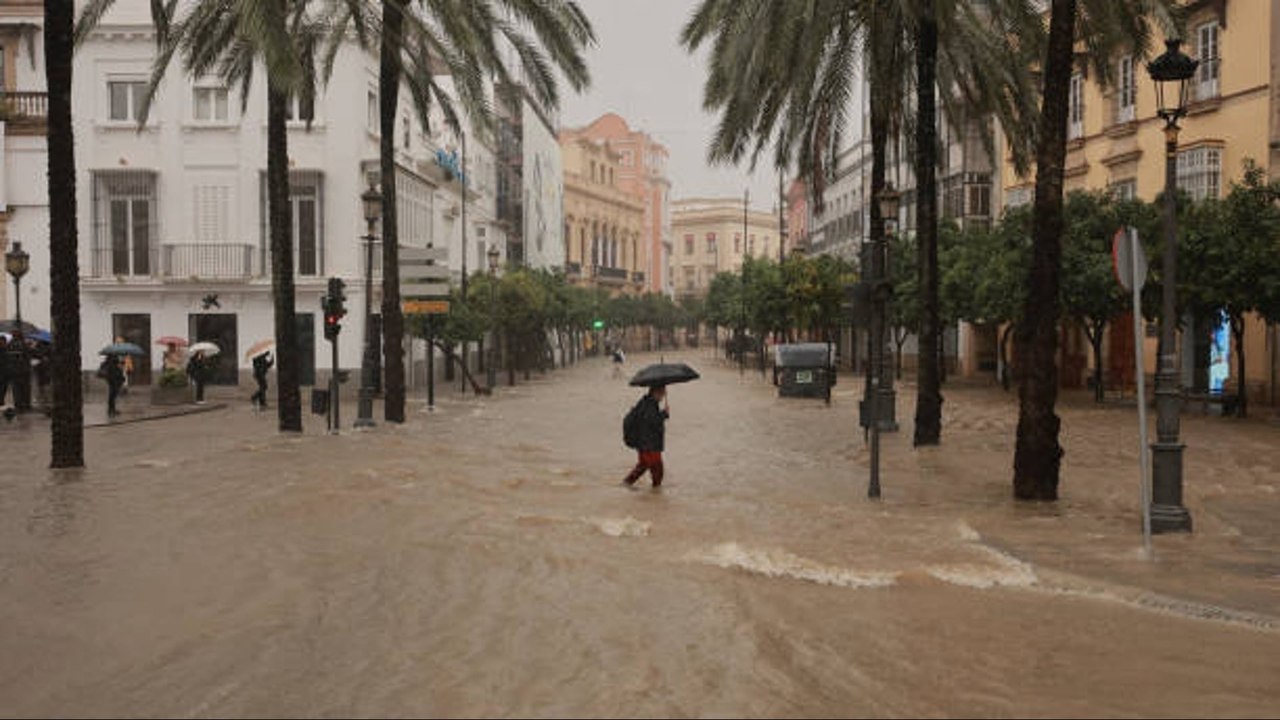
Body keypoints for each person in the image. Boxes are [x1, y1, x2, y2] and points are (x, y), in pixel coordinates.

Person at [621, 384, 670, 490]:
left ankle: (627, 483)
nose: (663, 396)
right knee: (657, 469)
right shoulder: (649, 405)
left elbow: (649, 420)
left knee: (643, 466)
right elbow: (652, 422)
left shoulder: (646, 402)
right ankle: (656, 493)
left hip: (644, 443)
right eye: (662, 393)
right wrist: (664, 414)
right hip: (649, 444)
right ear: (655, 392)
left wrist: (662, 414)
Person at [99, 354, 125, 418]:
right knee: (112, 396)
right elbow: (116, 372)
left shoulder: (108, 362)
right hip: (114, 381)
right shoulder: (112, 363)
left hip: (111, 381)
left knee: (112, 396)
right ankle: (111, 410)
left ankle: (111, 409)